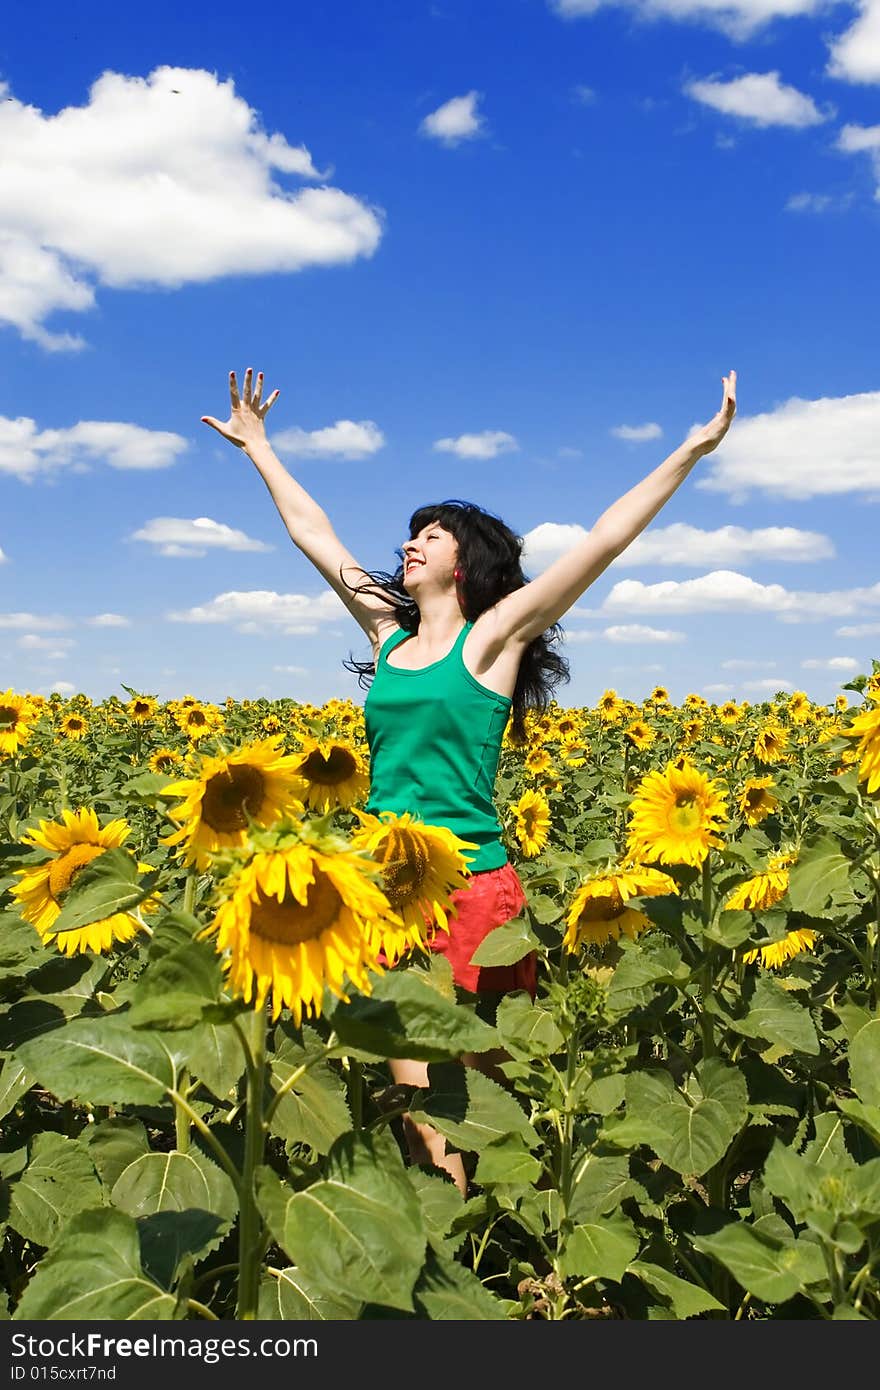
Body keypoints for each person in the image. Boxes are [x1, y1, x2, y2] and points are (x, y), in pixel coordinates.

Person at [202, 365, 737, 1194]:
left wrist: (691, 451)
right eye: (410, 534)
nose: (410, 543)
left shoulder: (491, 641)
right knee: (414, 1095)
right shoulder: (388, 636)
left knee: (472, 1094)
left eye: (432, 535)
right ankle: (450, 1244)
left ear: (464, 563)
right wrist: (259, 448)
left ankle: (479, 1241)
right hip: (381, 887)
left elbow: (601, 542)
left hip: (471, 889)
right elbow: (316, 536)